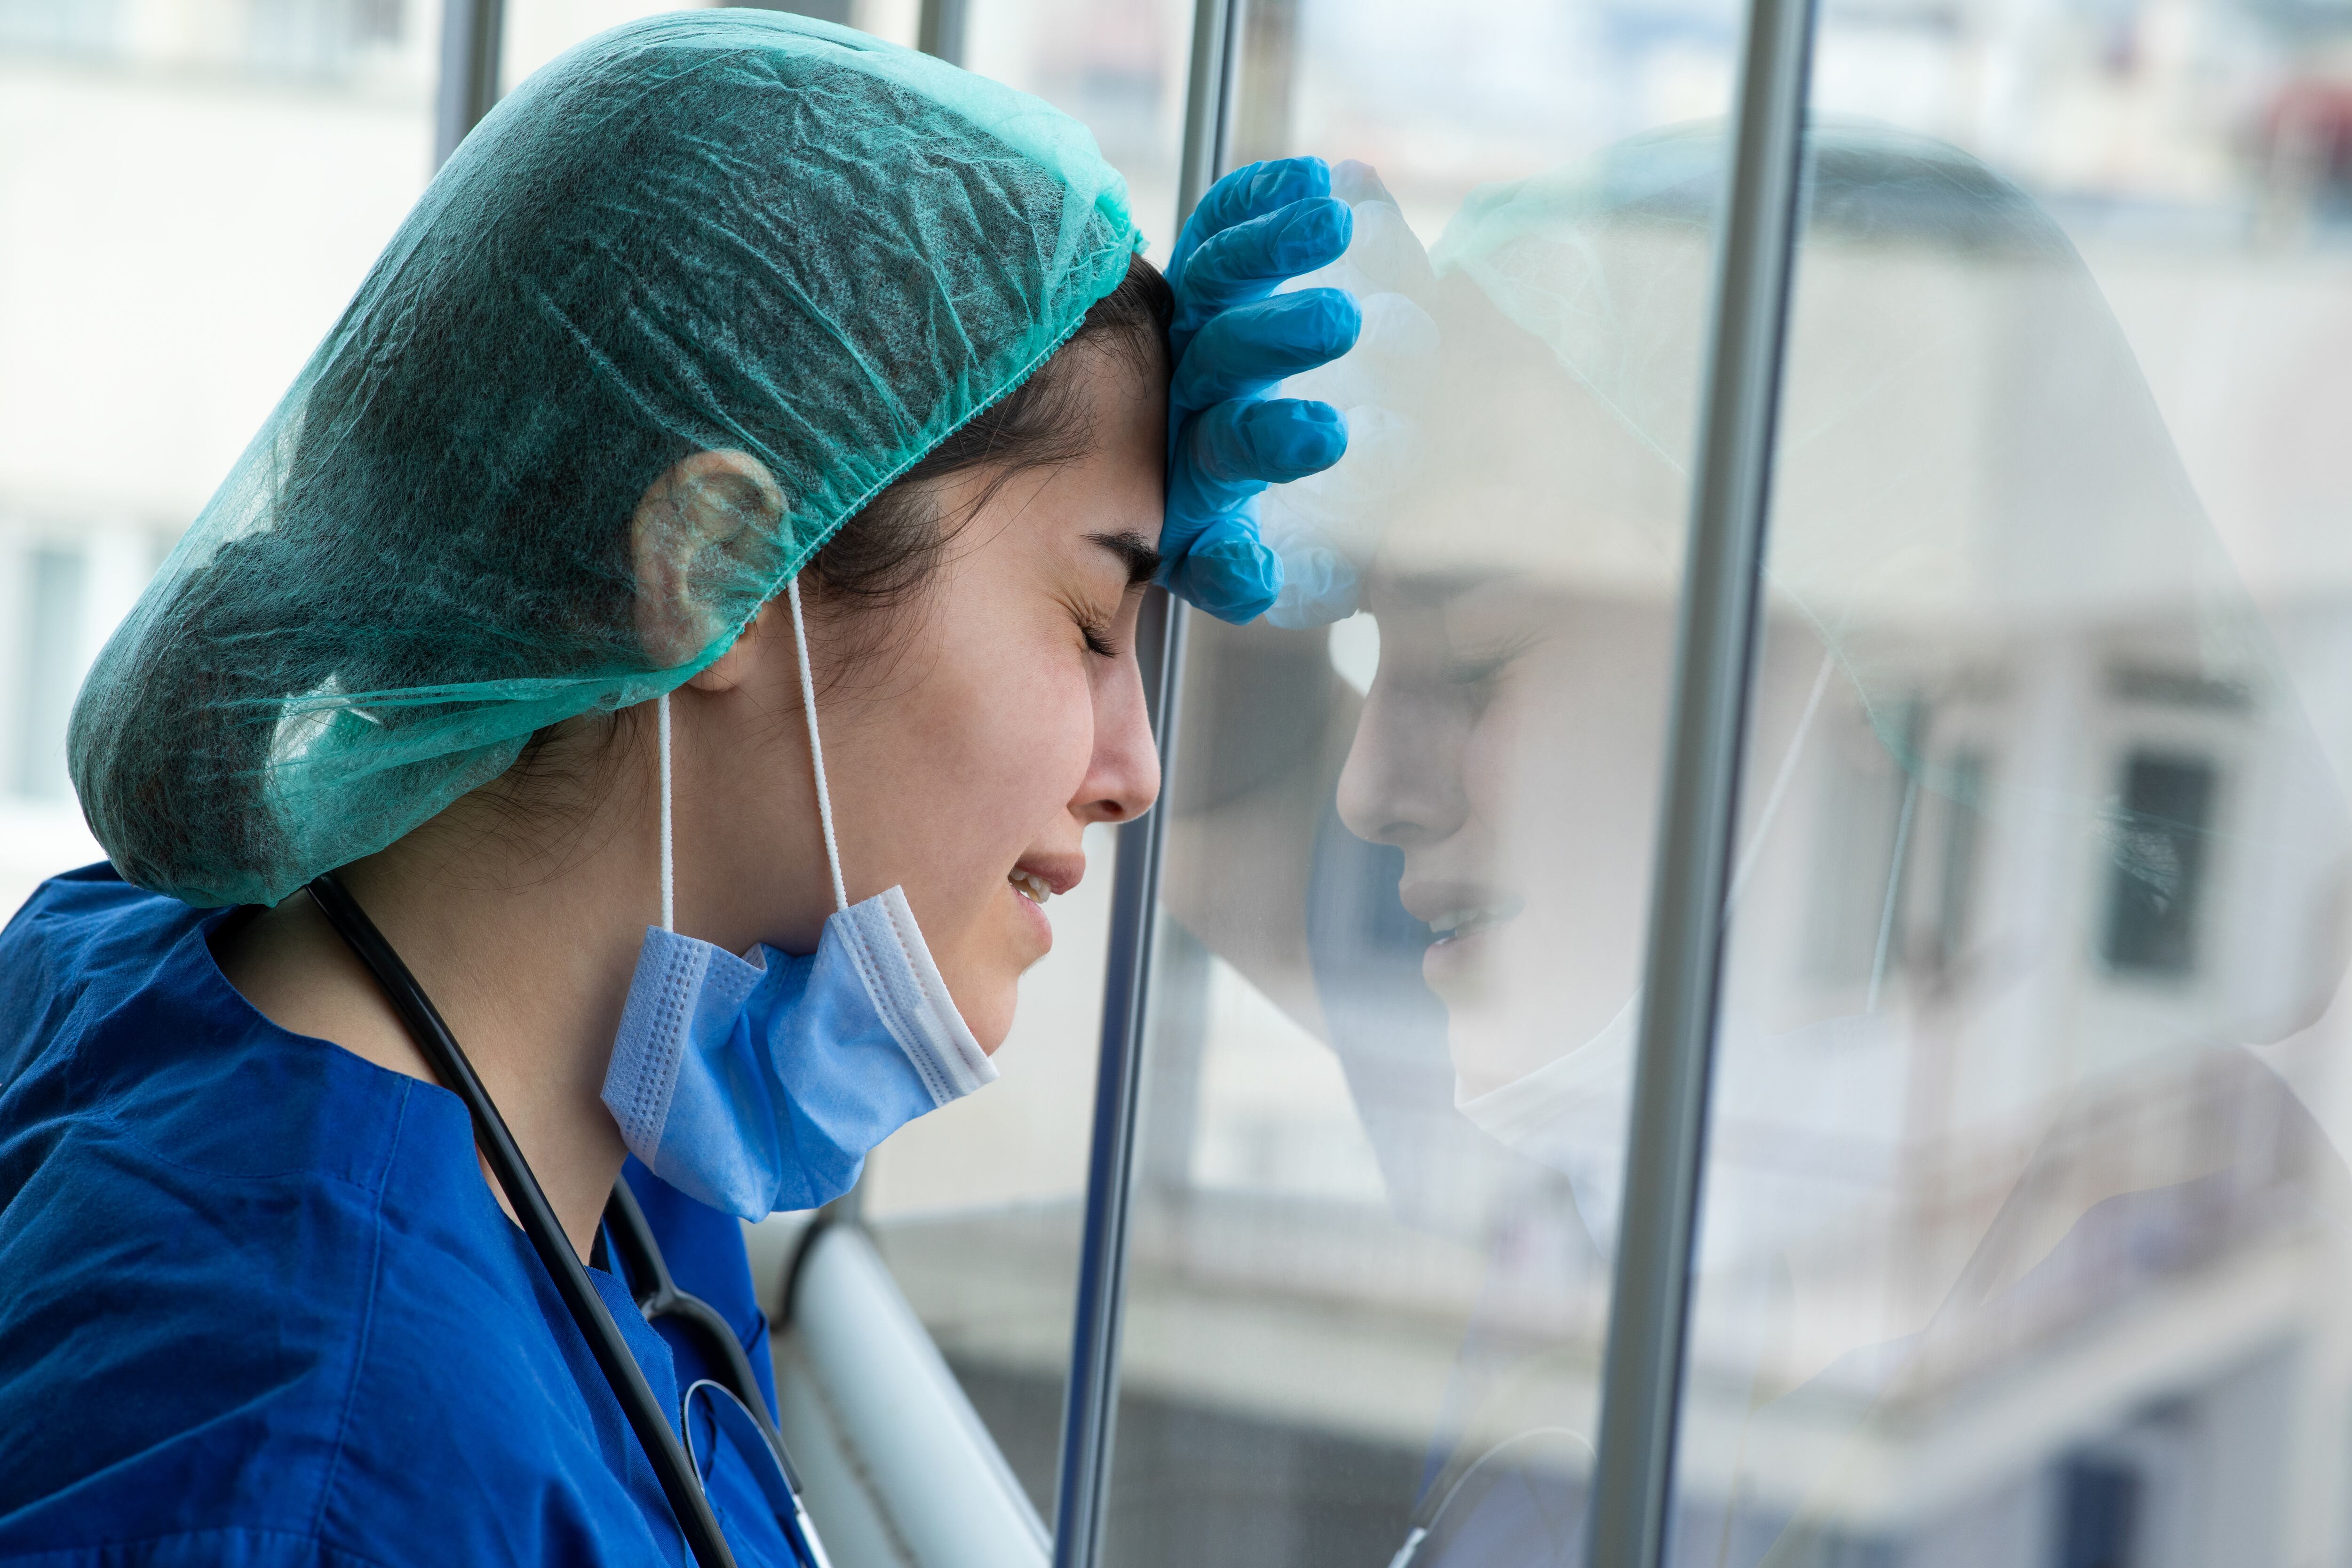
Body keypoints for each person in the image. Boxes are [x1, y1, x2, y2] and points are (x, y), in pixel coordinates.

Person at [0, 12, 1361, 1564]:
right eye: (1097, 626)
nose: (1136, 771)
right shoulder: (324, 1459)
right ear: (718, 568)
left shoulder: (248, 1008)